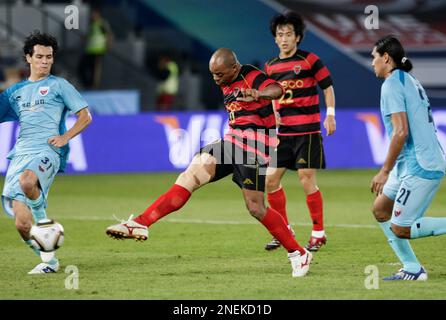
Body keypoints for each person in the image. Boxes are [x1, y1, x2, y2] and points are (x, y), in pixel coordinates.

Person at [106, 48, 313, 278]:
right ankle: (141, 222)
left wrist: (257, 93)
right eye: (213, 74)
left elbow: (277, 89)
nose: (216, 79)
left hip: (255, 148)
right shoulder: (225, 80)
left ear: (234, 68)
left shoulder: (250, 74)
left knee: (255, 207)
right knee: (189, 177)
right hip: (230, 142)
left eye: (220, 74)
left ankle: (299, 253)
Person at [0, 31, 92, 274]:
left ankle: (43, 221)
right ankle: (48, 260)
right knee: (21, 224)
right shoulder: (14, 92)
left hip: (48, 150)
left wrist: (65, 137)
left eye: (49, 57)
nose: (45, 61)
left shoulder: (59, 85)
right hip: (19, 154)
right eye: (39, 56)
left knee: (28, 180)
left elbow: (85, 116)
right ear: (28, 58)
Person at [370, 35, 446, 281]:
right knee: (381, 209)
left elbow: (401, 132)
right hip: (410, 163)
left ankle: (414, 268)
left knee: (401, 228)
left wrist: (384, 170)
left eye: (374, 57)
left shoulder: (392, 84)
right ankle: (412, 269)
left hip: (421, 164)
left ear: (386, 58)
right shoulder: (408, 79)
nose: (372, 63)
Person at [263, 11, 336, 251]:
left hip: (307, 131)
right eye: (280, 34)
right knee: (270, 181)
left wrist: (330, 115)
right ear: (275, 38)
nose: (284, 38)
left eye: (289, 34)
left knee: (306, 180)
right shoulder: (271, 67)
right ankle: (284, 230)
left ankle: (318, 233)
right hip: (283, 134)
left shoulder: (309, 60)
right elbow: (273, 94)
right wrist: (273, 111)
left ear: (298, 37)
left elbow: (327, 87)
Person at [78, 8, 113, 89]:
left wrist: (109, 46)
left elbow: (109, 35)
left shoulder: (102, 24)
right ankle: (87, 85)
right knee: (81, 68)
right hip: (89, 50)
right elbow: (91, 36)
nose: (92, 15)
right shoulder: (92, 24)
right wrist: (84, 38)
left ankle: (94, 87)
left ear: (98, 14)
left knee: (95, 71)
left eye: (93, 13)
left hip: (98, 51)